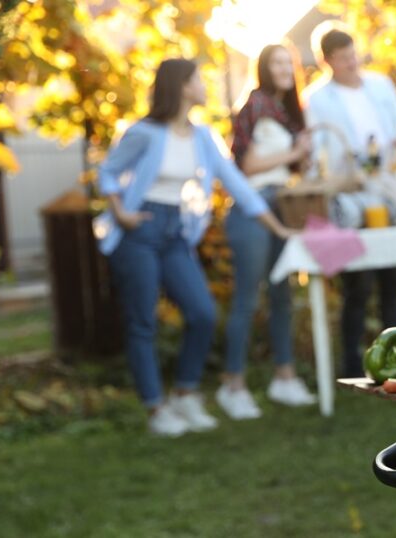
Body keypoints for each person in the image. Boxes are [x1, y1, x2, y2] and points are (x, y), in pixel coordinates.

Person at [95, 58, 294, 437]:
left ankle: (184, 393)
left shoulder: (203, 136)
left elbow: (238, 186)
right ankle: (156, 409)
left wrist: (278, 228)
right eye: (199, 79)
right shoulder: (145, 132)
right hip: (139, 232)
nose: (205, 85)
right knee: (143, 322)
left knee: (202, 313)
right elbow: (108, 172)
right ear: (182, 86)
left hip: (174, 234)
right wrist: (120, 212)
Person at [304, 26, 396, 377]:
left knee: (393, 278)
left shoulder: (380, 85)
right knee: (358, 282)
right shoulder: (318, 99)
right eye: (342, 59)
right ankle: (353, 365)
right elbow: (316, 151)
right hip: (350, 197)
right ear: (328, 62)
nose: (351, 63)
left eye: (353, 55)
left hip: (387, 191)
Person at [218, 43, 316, 420]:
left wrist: (302, 153)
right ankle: (233, 384)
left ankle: (285, 376)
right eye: (275, 62)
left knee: (282, 295)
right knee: (247, 298)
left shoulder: (290, 114)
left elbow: (294, 171)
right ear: (262, 68)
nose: (283, 68)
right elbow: (248, 165)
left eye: (286, 62)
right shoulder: (255, 107)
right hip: (252, 210)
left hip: (283, 207)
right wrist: (293, 153)